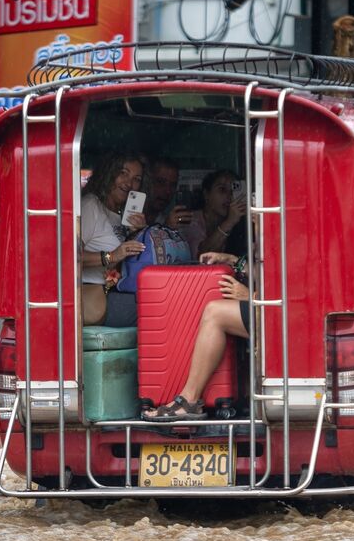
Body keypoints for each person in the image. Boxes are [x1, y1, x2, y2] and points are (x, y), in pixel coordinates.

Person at [143, 251, 249, 420]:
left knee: (215, 313)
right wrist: (232, 259)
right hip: (269, 310)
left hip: (280, 317)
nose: (253, 222)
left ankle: (189, 400)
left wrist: (251, 296)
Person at [81, 154, 147, 326]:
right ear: (108, 173)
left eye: (136, 179)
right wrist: (111, 256)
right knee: (156, 308)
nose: (129, 183)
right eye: (123, 173)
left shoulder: (122, 216)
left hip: (118, 291)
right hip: (97, 297)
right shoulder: (91, 206)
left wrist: (140, 233)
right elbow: (69, 257)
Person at [182, 169, 247, 258]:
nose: (229, 196)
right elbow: (201, 256)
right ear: (206, 194)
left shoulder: (239, 222)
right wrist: (229, 222)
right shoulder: (191, 220)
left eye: (233, 191)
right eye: (222, 189)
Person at [143, 156, 192, 231]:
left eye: (173, 185)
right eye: (161, 182)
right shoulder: (127, 215)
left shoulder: (168, 221)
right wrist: (166, 229)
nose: (168, 191)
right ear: (147, 181)